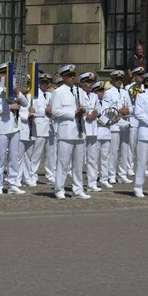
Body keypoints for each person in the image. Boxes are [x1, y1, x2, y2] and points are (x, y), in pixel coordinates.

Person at [52, 65, 90, 200]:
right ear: (63, 77)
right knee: (63, 162)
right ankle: (59, 188)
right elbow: (55, 111)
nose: (72, 78)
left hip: (79, 130)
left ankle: (78, 189)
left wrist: (84, 111)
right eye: (69, 76)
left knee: (78, 163)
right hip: (66, 131)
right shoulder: (58, 92)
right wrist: (73, 113)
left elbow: (87, 106)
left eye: (73, 76)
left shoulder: (79, 91)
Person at [0, 63, 28, 195]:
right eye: (7, 74)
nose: (10, 76)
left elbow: (26, 103)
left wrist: (17, 92)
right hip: (2, 127)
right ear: (0, 75)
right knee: (0, 157)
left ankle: (12, 184)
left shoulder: (14, 89)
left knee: (14, 157)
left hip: (15, 126)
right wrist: (9, 108)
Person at [104, 70, 133, 184]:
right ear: (112, 80)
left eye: (120, 79)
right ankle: (111, 174)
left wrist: (128, 110)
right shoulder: (108, 92)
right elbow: (106, 110)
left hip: (125, 123)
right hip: (115, 125)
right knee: (114, 151)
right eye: (117, 79)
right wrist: (118, 110)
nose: (119, 81)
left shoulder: (125, 92)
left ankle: (123, 174)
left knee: (125, 150)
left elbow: (131, 106)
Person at [78, 72, 100, 192]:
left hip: (93, 129)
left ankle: (92, 183)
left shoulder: (94, 96)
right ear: (82, 83)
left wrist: (96, 112)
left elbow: (98, 108)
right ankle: (79, 183)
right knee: (80, 158)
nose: (90, 85)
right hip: (83, 128)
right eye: (88, 83)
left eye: (91, 83)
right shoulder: (79, 94)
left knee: (93, 157)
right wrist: (87, 116)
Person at [33, 74, 56, 185]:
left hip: (51, 127)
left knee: (51, 154)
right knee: (36, 153)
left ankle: (50, 175)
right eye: (43, 82)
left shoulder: (52, 95)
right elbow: (32, 110)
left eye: (47, 83)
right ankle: (32, 175)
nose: (45, 84)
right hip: (39, 126)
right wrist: (45, 110)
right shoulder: (34, 94)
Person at [125, 67, 147, 177]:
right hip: (133, 118)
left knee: (143, 145)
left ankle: (144, 167)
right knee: (131, 145)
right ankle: (129, 167)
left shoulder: (145, 88)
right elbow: (127, 105)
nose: (141, 77)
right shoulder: (128, 88)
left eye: (142, 75)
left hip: (143, 119)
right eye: (139, 75)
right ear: (134, 76)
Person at [92, 81, 113, 189]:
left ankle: (104, 178)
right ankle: (94, 179)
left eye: (102, 90)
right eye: (99, 91)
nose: (101, 93)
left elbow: (111, 114)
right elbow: (93, 116)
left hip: (106, 132)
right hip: (96, 132)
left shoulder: (107, 102)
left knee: (106, 157)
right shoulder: (92, 101)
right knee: (94, 158)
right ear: (95, 92)